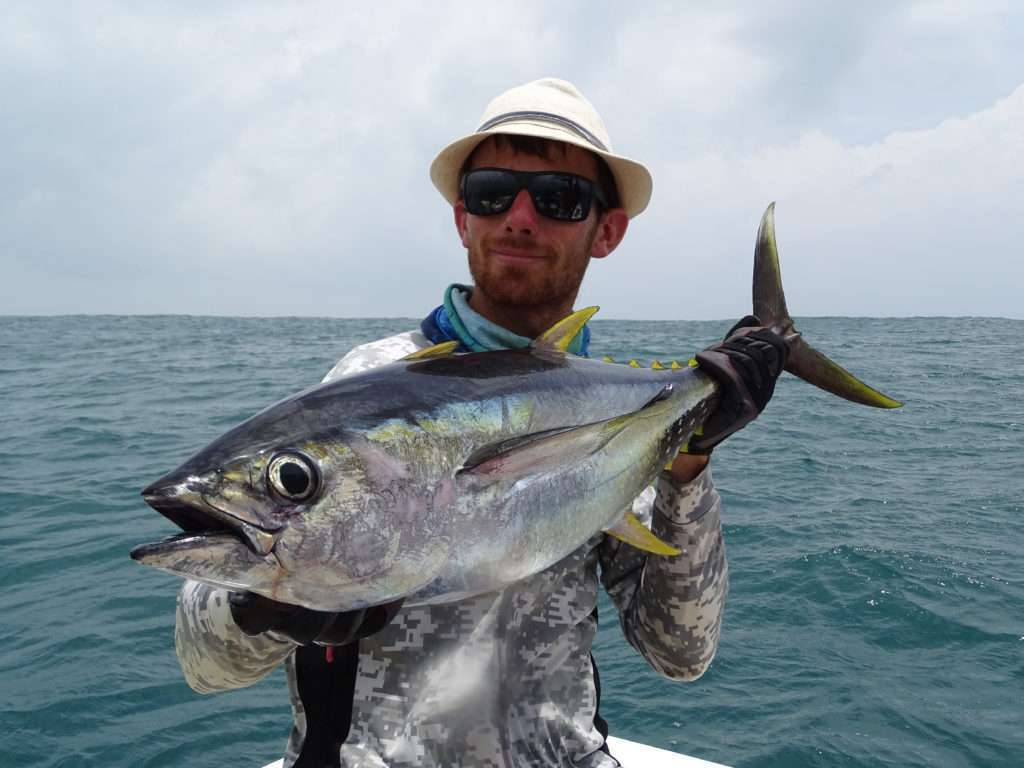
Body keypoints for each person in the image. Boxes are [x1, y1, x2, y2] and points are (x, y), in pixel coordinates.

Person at [174, 78, 788, 768]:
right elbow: (205, 666)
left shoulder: (622, 412)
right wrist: (268, 608)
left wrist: (688, 465)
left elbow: (681, 654)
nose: (519, 218)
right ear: (463, 217)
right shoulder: (365, 387)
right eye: (494, 192)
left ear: (606, 230)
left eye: (560, 199)